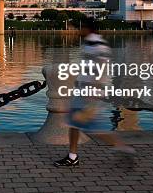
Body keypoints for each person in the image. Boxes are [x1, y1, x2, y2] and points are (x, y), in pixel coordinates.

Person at [54, 31, 135, 167]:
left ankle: (123, 148)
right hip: (83, 90)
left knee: (93, 127)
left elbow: (102, 69)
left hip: (89, 93)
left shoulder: (98, 44)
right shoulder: (88, 43)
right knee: (74, 123)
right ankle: (72, 156)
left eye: (74, 27)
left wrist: (93, 92)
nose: (71, 30)